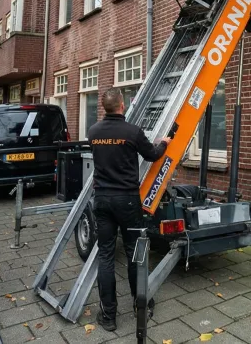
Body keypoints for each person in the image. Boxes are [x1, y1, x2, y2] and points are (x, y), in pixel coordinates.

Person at [88, 88, 171, 332]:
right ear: (122, 105)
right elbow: (153, 155)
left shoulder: (93, 132)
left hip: (102, 200)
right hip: (126, 200)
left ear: (104, 107)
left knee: (105, 255)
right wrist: (164, 143)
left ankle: (109, 316)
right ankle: (140, 304)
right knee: (135, 252)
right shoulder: (132, 132)